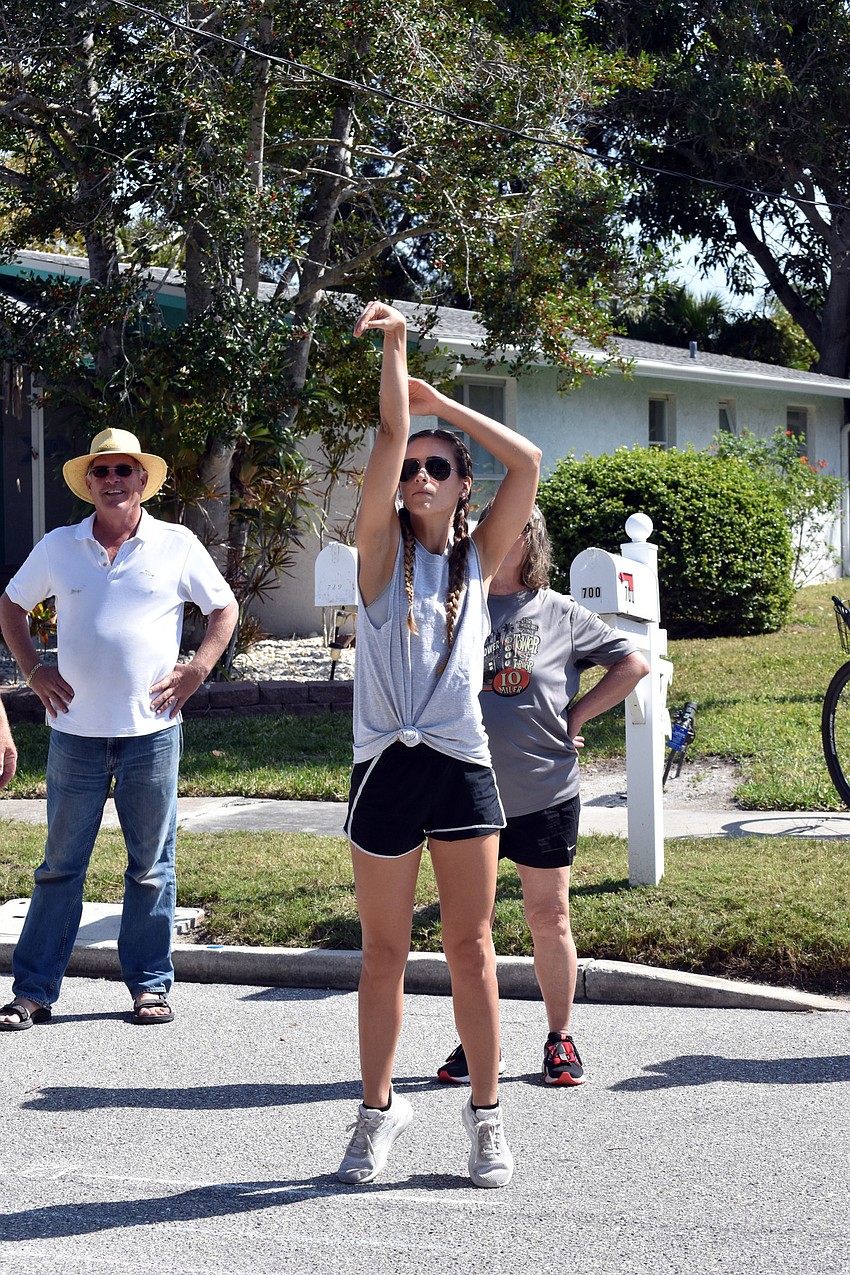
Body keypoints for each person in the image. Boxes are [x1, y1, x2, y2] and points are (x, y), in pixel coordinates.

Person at [336, 300, 541, 1189]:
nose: (418, 473)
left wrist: (447, 408)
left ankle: (488, 1119)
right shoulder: (379, 555)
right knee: (382, 954)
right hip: (386, 769)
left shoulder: (478, 560)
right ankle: (377, 1113)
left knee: (471, 948)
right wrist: (394, 349)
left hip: (461, 770)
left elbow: (528, 462)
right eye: (412, 466)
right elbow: (388, 430)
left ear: (464, 487)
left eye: (438, 468)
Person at [0, 427, 238, 1031]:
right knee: (59, 865)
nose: (112, 482)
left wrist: (197, 669)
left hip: (152, 731)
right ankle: (32, 992)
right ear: (88, 483)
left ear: (141, 481)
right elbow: (10, 605)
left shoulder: (176, 543)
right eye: (101, 472)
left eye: (122, 471)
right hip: (74, 733)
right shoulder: (59, 545)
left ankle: (150, 987)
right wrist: (32, 668)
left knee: (152, 864)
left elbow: (223, 607)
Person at [436, 505, 649, 1087]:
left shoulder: (560, 612)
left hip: (545, 788)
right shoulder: (457, 606)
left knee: (548, 915)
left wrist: (577, 715)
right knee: (469, 926)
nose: (504, 540)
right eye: (491, 530)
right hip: (466, 788)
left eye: (516, 530)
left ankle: (560, 1036)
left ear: (531, 542)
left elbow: (632, 663)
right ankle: (479, 1041)